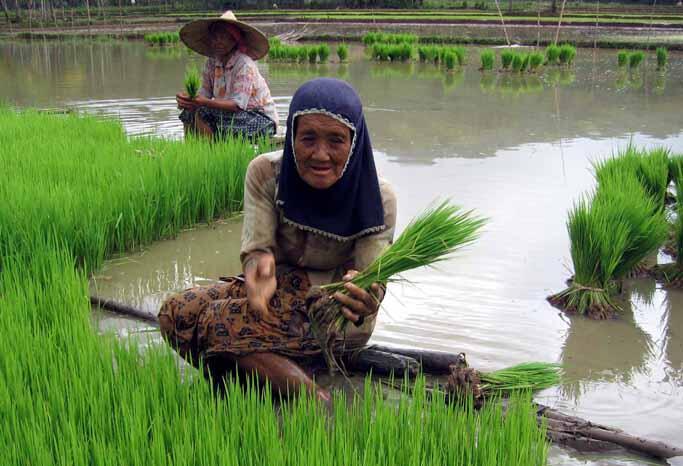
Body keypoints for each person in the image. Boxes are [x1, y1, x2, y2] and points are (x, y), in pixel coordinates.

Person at [159, 78, 397, 403]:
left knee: (218, 321)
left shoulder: (377, 198)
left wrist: (367, 295)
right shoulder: (266, 174)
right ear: (292, 135)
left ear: (354, 142)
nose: (320, 154)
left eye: (336, 140)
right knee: (177, 312)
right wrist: (259, 269)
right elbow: (257, 249)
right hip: (275, 294)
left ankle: (313, 399)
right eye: (308, 138)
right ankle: (247, 385)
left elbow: (371, 280)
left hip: (332, 310)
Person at [176, 11, 278, 140]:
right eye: (215, 37)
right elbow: (203, 95)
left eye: (223, 37)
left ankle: (210, 153)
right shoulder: (211, 63)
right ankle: (192, 151)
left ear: (234, 39)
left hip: (261, 119)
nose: (218, 41)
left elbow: (237, 105)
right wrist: (188, 101)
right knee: (189, 112)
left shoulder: (244, 64)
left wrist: (203, 102)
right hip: (231, 116)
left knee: (203, 112)